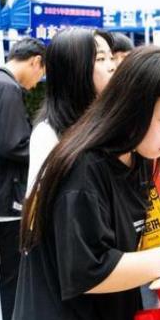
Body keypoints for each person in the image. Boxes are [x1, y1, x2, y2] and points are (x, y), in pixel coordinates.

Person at [10, 46, 160, 320]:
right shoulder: (83, 169)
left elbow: (135, 248)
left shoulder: (138, 157)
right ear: (131, 106)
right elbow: (90, 271)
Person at [0, 37, 46, 320]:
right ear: (35, 61)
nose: (38, 80)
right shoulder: (8, 88)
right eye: (41, 73)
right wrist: (44, 149)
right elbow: (11, 144)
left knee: (7, 274)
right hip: (9, 199)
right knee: (13, 277)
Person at [26, 28, 115, 195]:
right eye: (101, 59)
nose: (112, 66)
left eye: (112, 57)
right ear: (74, 69)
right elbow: (38, 203)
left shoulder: (110, 121)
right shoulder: (47, 134)